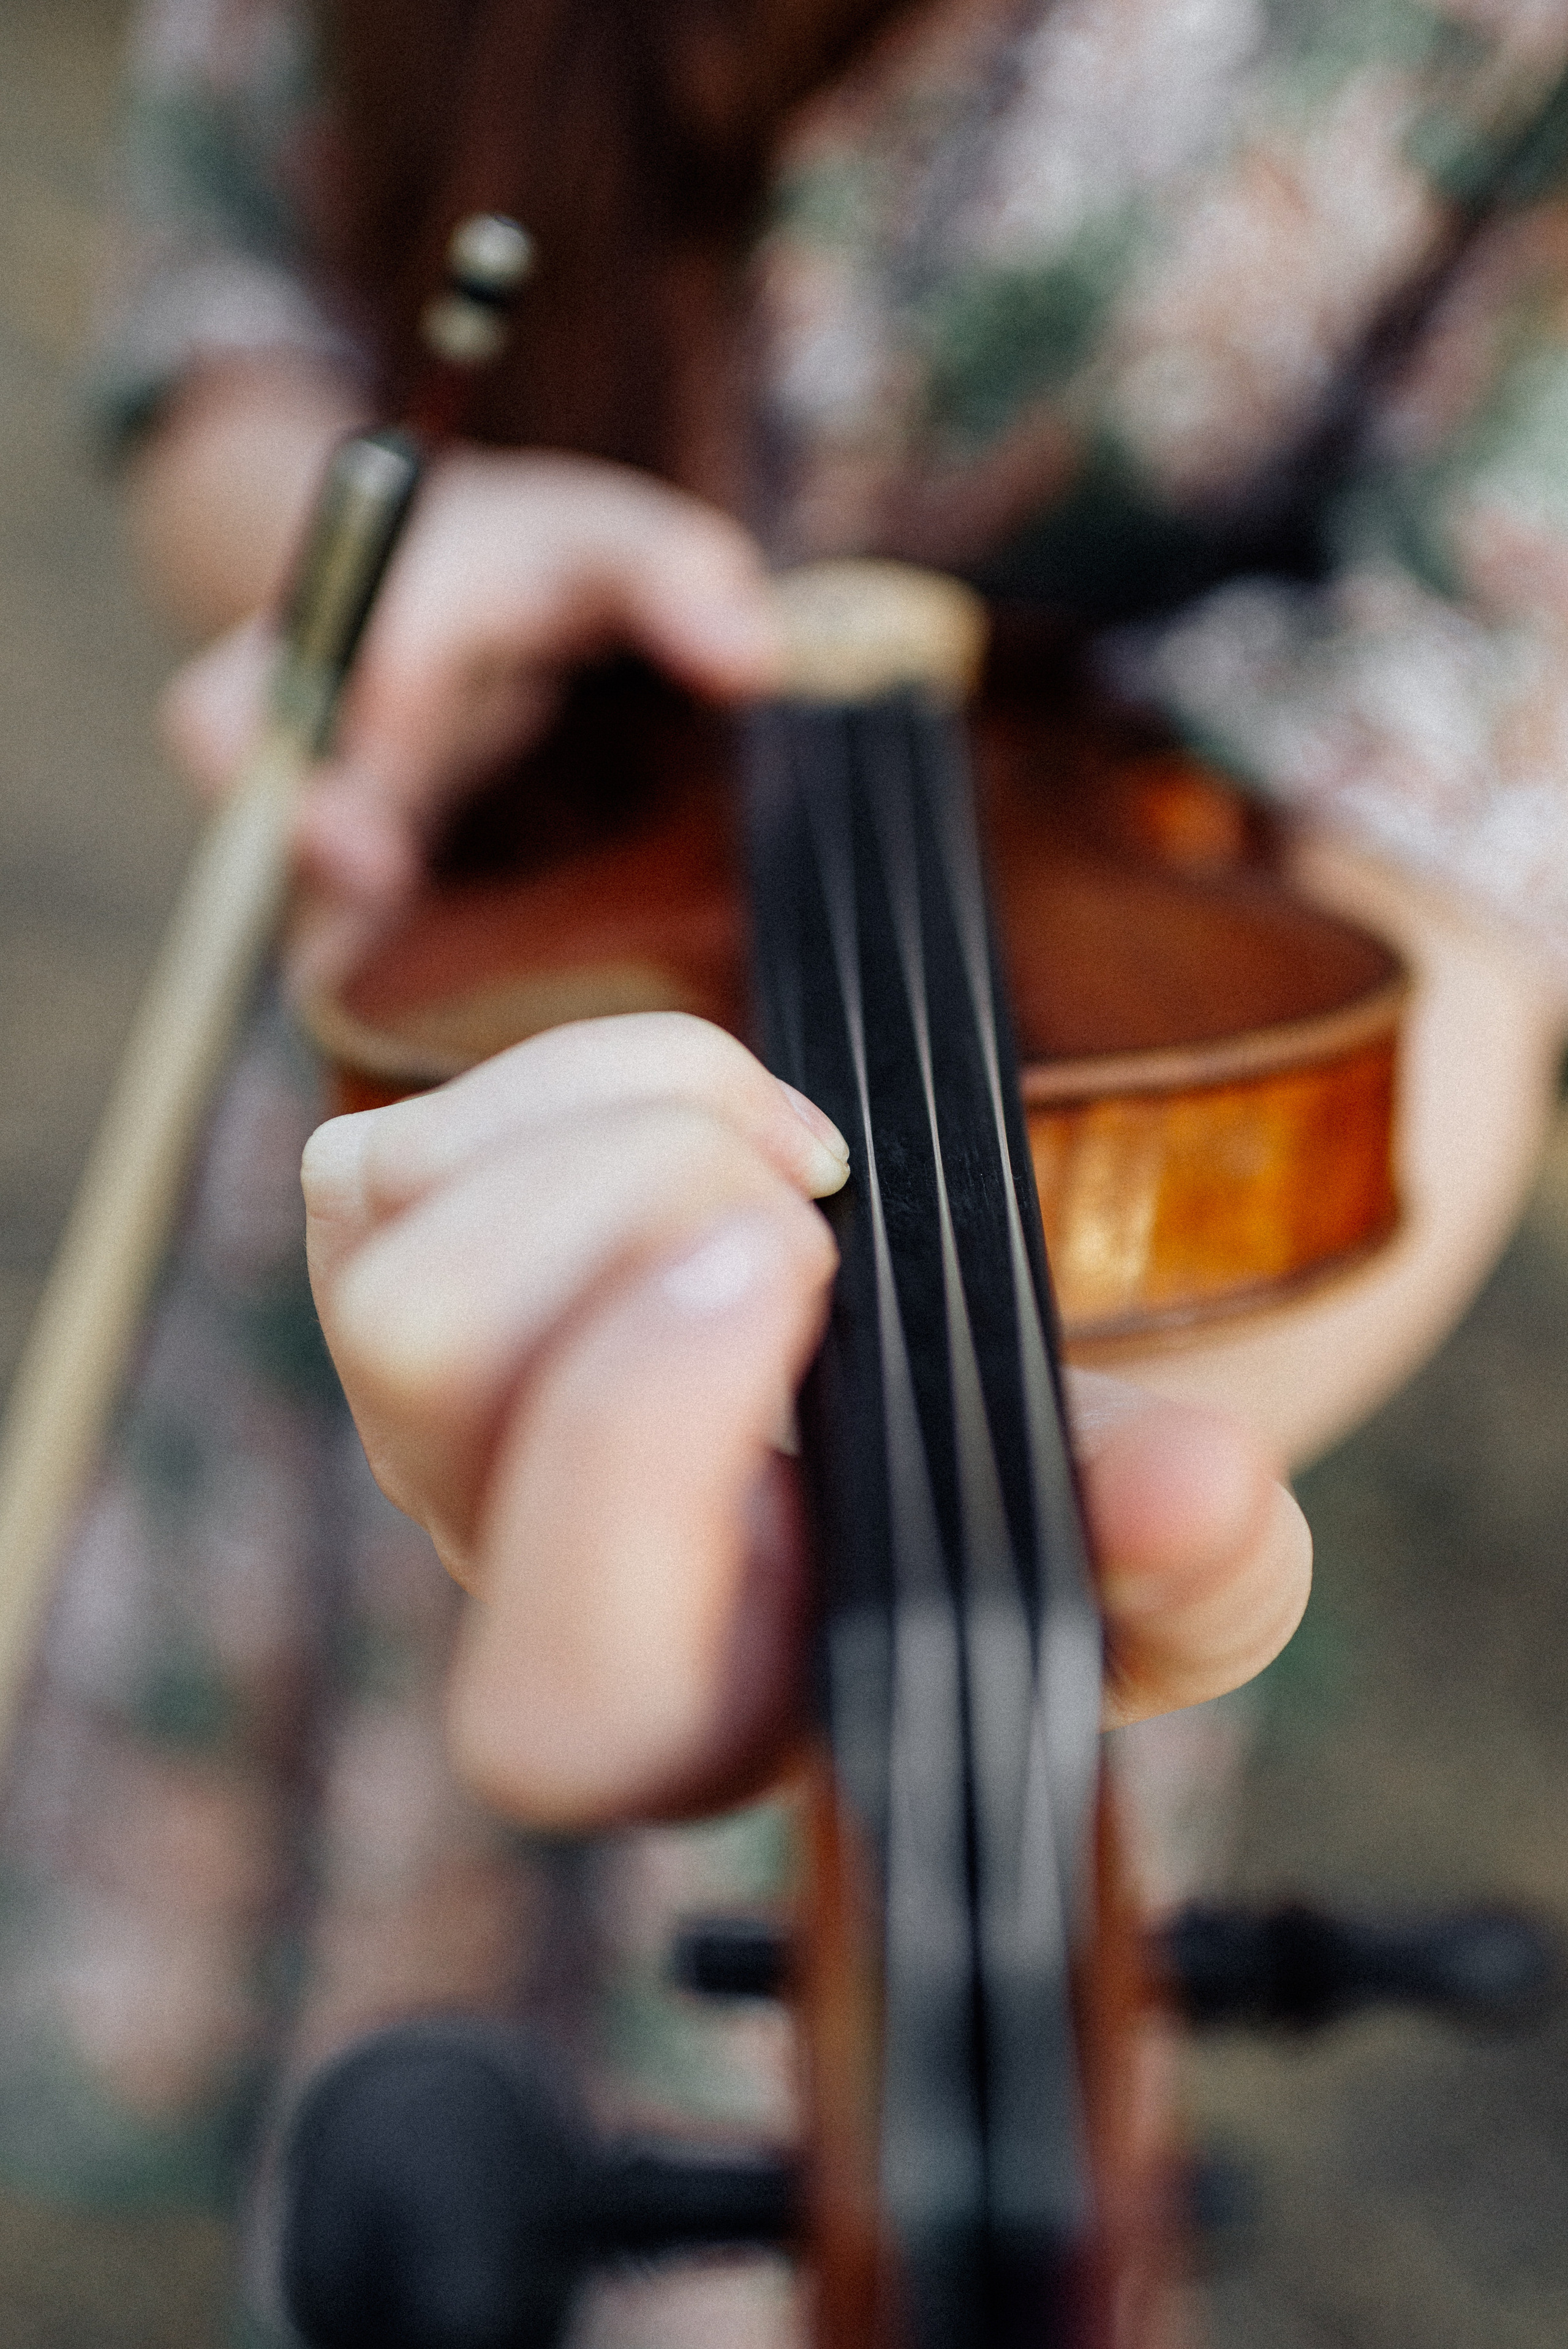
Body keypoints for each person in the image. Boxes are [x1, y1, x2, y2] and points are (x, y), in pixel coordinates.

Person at [4, 0, 1567, 2333]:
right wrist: (372, 559)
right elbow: (219, 334)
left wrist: (1008, 1463)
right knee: (359, 2119)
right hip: (451, 1110)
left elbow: (1476, 833)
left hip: (1064, 1264)